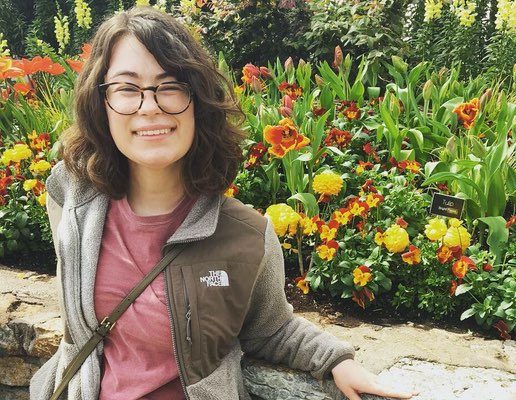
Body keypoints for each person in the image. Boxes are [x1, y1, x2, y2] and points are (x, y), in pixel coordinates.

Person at [29, 6, 418, 400]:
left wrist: (339, 361)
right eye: (127, 88)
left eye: (171, 86)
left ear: (199, 101)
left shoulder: (245, 236)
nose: (150, 106)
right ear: (102, 102)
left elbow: (272, 328)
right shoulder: (72, 198)